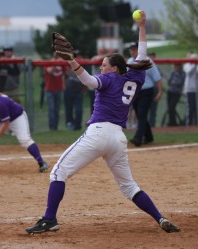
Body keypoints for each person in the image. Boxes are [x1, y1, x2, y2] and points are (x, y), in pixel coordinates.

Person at [25, 11, 180, 235]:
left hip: (98, 133)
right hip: (118, 138)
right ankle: (160, 217)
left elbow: (88, 81)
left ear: (114, 68)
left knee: (58, 172)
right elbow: (143, 53)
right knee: (129, 186)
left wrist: (72, 60)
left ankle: (49, 219)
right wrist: (142, 27)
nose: (101, 68)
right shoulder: (136, 78)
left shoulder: (109, 78)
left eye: (105, 65)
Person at [0, 81, 49, 173]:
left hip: (17, 117)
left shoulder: (0, 102)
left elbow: (6, 123)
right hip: (0, 120)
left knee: (24, 139)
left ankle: (42, 163)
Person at [127, 42, 163, 146]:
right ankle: (149, 137)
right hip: (135, 91)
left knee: (142, 114)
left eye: (135, 49)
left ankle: (138, 138)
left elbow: (157, 77)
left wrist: (160, 91)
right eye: (131, 49)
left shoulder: (147, 61)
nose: (133, 51)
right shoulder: (130, 61)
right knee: (139, 115)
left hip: (147, 91)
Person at [64, 51, 86, 131]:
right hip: (69, 89)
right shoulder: (68, 62)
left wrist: (84, 88)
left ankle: (77, 126)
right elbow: (68, 73)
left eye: (77, 55)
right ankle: (70, 124)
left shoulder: (82, 62)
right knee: (69, 109)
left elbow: (85, 76)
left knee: (78, 109)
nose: (76, 57)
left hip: (79, 90)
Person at [44, 53, 66, 131]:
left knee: (57, 109)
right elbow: (50, 71)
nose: (57, 57)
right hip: (50, 89)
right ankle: (52, 128)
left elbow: (65, 74)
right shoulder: (48, 63)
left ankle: (55, 127)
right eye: (55, 56)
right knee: (51, 109)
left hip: (59, 89)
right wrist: (54, 63)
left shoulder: (61, 63)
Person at [183, 53, 198, 126]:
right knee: (190, 108)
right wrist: (195, 64)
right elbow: (189, 72)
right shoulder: (186, 65)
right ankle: (189, 124)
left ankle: (197, 124)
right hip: (190, 90)